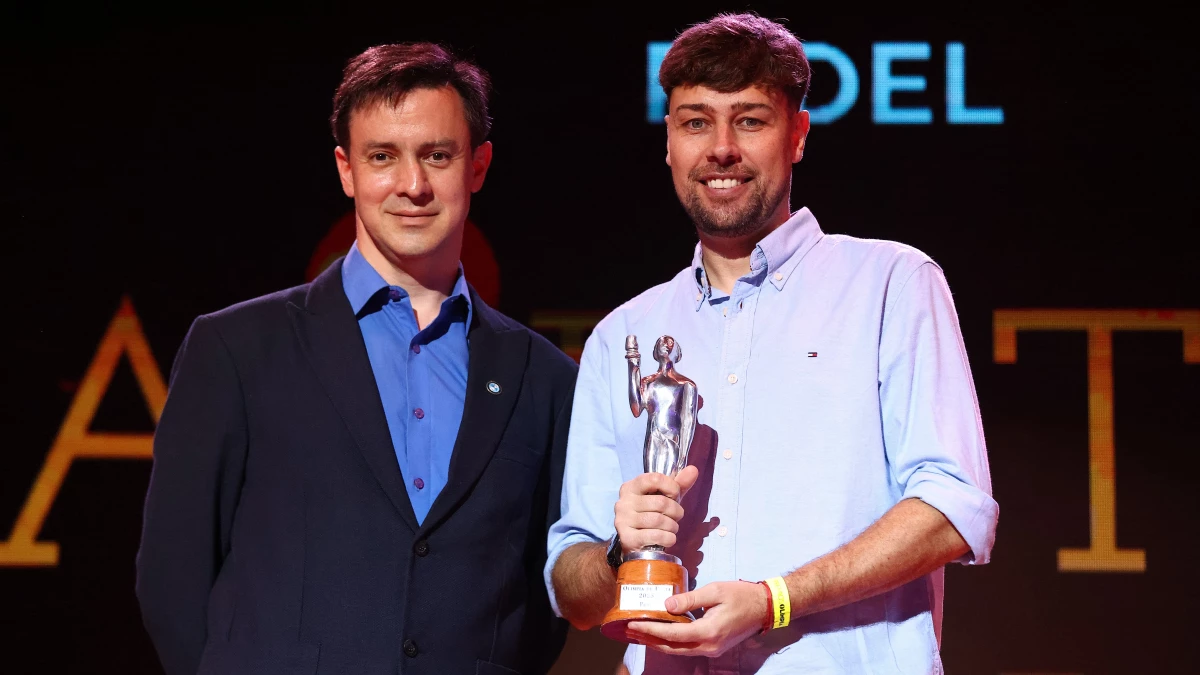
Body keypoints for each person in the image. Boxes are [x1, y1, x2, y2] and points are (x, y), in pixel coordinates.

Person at [546, 13, 997, 674]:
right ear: (669, 142)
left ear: (798, 135)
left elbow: (952, 509)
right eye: (696, 122)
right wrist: (620, 550)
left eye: (750, 121)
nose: (721, 149)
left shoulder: (891, 284)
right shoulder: (624, 334)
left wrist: (773, 601)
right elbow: (574, 589)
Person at [136, 42, 576, 675]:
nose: (412, 186)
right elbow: (172, 576)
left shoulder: (544, 378)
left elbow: (543, 598)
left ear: (478, 165)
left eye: (437, 155)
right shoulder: (236, 349)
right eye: (382, 157)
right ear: (346, 170)